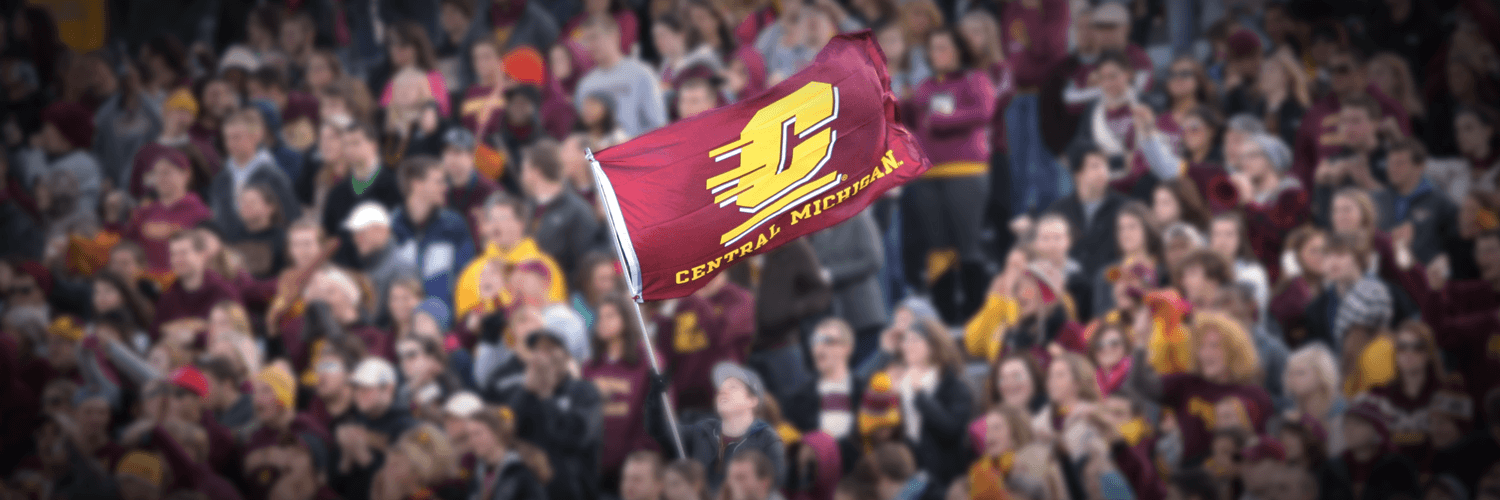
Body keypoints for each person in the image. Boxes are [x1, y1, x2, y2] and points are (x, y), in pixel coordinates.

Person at [900, 26, 997, 323]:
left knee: (968, 243)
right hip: (928, 174)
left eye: (944, 47)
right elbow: (914, 121)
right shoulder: (926, 85)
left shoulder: (975, 79)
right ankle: (944, 315)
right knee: (937, 245)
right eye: (933, 48)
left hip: (966, 170)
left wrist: (943, 120)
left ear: (959, 49)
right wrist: (900, 105)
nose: (938, 53)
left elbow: (984, 111)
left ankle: (975, 315)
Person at [646, 361, 786, 491]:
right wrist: (656, 399)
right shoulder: (704, 429)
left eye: (733, 387)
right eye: (722, 387)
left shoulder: (767, 439)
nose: (723, 391)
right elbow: (660, 431)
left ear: (752, 401)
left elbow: (773, 483)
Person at [506, 328, 603, 500]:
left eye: (550, 349)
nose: (543, 357)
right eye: (537, 350)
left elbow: (575, 436)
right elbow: (507, 432)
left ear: (566, 356)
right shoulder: (525, 394)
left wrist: (546, 396)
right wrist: (526, 391)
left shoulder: (584, 391)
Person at [584, 294, 661, 490]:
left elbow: (659, 408)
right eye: (600, 317)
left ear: (626, 320)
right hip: (597, 463)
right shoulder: (589, 366)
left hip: (634, 462)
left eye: (610, 316)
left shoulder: (644, 360)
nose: (603, 322)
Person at [453, 193, 568, 317]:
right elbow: (465, 323)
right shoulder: (473, 271)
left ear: (521, 224)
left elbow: (555, 313)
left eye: (503, 219)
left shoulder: (545, 267)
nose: (496, 225)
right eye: (492, 220)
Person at [390, 156, 475, 309]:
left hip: (444, 316)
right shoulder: (390, 227)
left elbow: (466, 274)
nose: (446, 187)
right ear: (416, 185)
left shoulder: (454, 224)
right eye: (439, 181)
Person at [209, 108, 302, 243]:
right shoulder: (221, 178)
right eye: (227, 137)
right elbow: (219, 219)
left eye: (237, 137)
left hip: (268, 249)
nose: (230, 143)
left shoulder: (273, 176)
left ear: (256, 136)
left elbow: (291, 217)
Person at [323, 122, 406, 268]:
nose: (350, 149)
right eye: (346, 144)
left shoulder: (395, 185)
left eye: (356, 143)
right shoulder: (337, 192)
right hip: (344, 272)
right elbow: (329, 234)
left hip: (384, 270)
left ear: (373, 145)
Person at [122, 147, 213, 277]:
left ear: (186, 175)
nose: (160, 178)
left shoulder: (201, 213)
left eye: (167, 173)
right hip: (147, 283)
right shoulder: (143, 212)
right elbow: (128, 247)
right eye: (156, 174)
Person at [575, 16, 668, 137]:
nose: (590, 45)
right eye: (586, 40)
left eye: (594, 37)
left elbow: (658, 124)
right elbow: (582, 131)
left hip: (637, 149)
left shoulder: (641, 74)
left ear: (614, 36)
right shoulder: (585, 85)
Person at [520, 139, 601, 278]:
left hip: (566, 293)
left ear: (536, 172)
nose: (522, 175)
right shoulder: (527, 209)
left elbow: (586, 262)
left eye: (525, 169)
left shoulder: (577, 210)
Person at [152, 232, 242, 338]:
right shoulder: (169, 293)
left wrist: (191, 335)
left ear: (202, 255)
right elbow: (154, 331)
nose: (177, 260)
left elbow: (238, 330)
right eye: (173, 254)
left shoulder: (223, 291)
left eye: (183, 253)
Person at [342, 201, 420, 314]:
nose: (356, 239)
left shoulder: (402, 269)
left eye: (361, 233)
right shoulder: (373, 264)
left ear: (381, 230)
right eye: (354, 234)